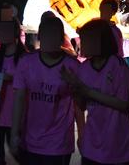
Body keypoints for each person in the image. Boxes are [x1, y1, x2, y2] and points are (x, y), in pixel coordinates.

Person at [61, 19, 129, 165]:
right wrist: (74, 87)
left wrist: (87, 91)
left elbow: (124, 105)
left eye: (85, 40)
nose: (81, 44)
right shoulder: (84, 68)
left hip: (118, 144)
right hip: (92, 142)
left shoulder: (119, 67)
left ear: (99, 41)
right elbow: (82, 105)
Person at [10, 16, 83, 165]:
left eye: (54, 34)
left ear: (62, 38)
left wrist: (82, 134)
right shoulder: (26, 62)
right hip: (30, 141)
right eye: (46, 34)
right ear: (40, 36)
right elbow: (19, 100)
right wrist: (14, 133)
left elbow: (78, 105)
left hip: (59, 143)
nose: (50, 39)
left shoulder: (72, 66)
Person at [0, 18, 28, 165]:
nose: (1, 33)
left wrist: (8, 77)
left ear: (15, 32)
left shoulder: (25, 57)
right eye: (0, 29)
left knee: (21, 155)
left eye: (5, 29)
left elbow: (28, 82)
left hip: (14, 116)